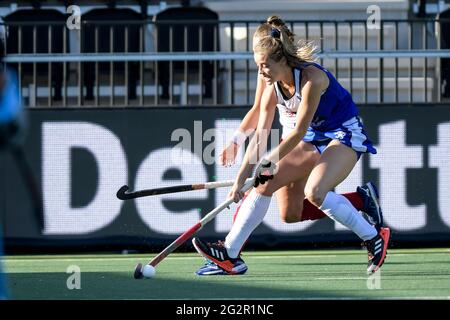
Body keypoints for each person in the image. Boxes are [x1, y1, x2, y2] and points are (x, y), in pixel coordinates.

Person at [193, 15, 390, 275]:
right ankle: (231, 258)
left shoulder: (312, 79)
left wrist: (266, 163)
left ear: (281, 59)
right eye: (258, 66)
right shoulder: (270, 82)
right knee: (278, 200)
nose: (261, 72)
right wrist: (242, 176)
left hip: (341, 134)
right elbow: (261, 132)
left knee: (316, 192)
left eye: (264, 66)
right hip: (310, 137)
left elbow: (296, 133)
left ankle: (374, 236)